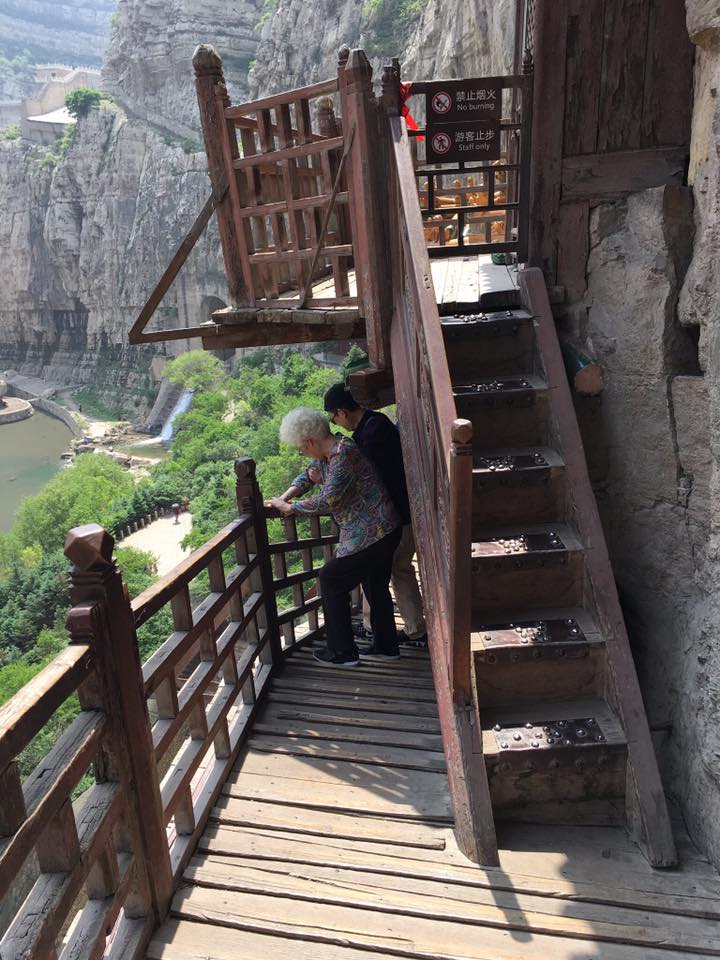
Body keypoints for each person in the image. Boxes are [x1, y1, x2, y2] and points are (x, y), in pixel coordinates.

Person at [269, 407, 402, 667]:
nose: (303, 454)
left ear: (309, 442)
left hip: (373, 532)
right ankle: (386, 646)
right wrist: (285, 497)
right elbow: (307, 475)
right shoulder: (330, 452)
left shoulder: (343, 455)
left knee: (330, 578)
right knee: (374, 585)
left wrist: (291, 508)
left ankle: (342, 652)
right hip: (383, 528)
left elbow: (328, 499)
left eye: (302, 449)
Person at [323, 383, 428, 647]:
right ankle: (394, 628)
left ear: (342, 412)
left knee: (390, 569)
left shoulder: (371, 434)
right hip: (402, 511)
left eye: (333, 416)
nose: (335, 422)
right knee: (389, 569)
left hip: (397, 515)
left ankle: (406, 630)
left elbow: (365, 477)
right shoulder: (374, 425)